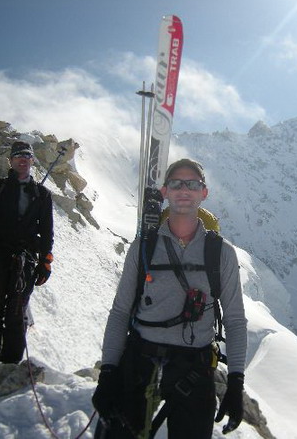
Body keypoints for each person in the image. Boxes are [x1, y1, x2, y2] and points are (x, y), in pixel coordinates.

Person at [93, 159, 247, 438]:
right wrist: (107, 372)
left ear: (204, 192)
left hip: (195, 366)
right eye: (176, 183)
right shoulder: (144, 247)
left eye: (193, 184)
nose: (184, 189)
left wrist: (236, 381)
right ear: (165, 191)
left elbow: (235, 320)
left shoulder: (221, 253)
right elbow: (119, 312)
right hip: (139, 359)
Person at [0, 141, 54, 363]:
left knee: (17, 312)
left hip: (24, 260)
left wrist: (46, 262)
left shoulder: (43, 194)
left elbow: (46, 231)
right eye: (18, 156)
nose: (22, 159)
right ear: (11, 161)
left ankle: (10, 364)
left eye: (27, 156)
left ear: (32, 161)